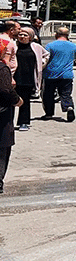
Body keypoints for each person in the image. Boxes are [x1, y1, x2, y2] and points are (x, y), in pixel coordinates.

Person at [41, 26, 76, 123]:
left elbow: (46, 58)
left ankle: (49, 114)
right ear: (68, 35)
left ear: (56, 34)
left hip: (51, 73)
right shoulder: (73, 46)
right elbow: (75, 55)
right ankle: (69, 107)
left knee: (48, 94)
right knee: (66, 93)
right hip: (67, 74)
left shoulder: (50, 45)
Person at [12, 28, 43, 131]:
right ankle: (8, 123)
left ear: (30, 37)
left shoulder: (36, 47)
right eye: (20, 35)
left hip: (28, 79)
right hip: (14, 78)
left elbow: (46, 55)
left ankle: (23, 122)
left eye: (25, 35)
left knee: (25, 101)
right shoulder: (13, 46)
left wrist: (41, 65)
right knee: (10, 101)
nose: (22, 37)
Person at [0, 54, 21, 193]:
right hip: (2, 115)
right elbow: (5, 89)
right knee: (2, 147)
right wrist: (17, 100)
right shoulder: (2, 69)